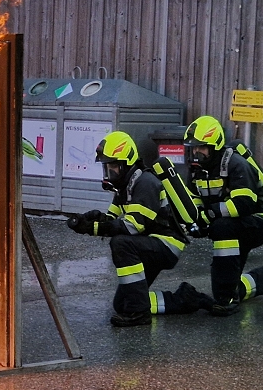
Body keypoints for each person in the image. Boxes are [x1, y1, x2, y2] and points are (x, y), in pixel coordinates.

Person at [66, 131, 211, 327]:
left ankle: (140, 313)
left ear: (126, 163)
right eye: (107, 167)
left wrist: (92, 228)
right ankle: (186, 299)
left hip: (166, 244)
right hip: (148, 243)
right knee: (122, 304)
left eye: (113, 166)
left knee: (121, 243)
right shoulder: (125, 185)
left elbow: (132, 226)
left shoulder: (145, 183)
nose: (109, 172)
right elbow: (111, 219)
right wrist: (90, 220)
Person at [181, 115, 263, 316]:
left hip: (259, 220)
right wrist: (197, 220)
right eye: (193, 148)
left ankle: (227, 297)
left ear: (215, 146)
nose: (196, 153)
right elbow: (195, 198)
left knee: (222, 230)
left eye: (202, 147)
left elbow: (244, 204)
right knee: (227, 284)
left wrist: (210, 214)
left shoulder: (235, 164)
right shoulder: (197, 170)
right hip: (231, 223)